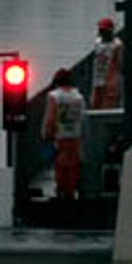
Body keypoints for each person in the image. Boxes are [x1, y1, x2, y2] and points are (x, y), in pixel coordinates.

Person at [41, 68, 86, 207]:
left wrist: (47, 134)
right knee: (73, 166)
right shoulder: (79, 97)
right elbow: (83, 117)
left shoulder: (54, 96)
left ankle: (61, 195)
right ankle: (71, 194)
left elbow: (51, 117)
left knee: (61, 166)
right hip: (75, 135)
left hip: (60, 136)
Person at [90, 19, 124, 110]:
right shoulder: (98, 42)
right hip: (98, 78)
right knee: (95, 105)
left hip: (111, 80)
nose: (101, 33)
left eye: (103, 30)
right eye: (100, 30)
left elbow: (120, 63)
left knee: (109, 106)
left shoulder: (117, 44)